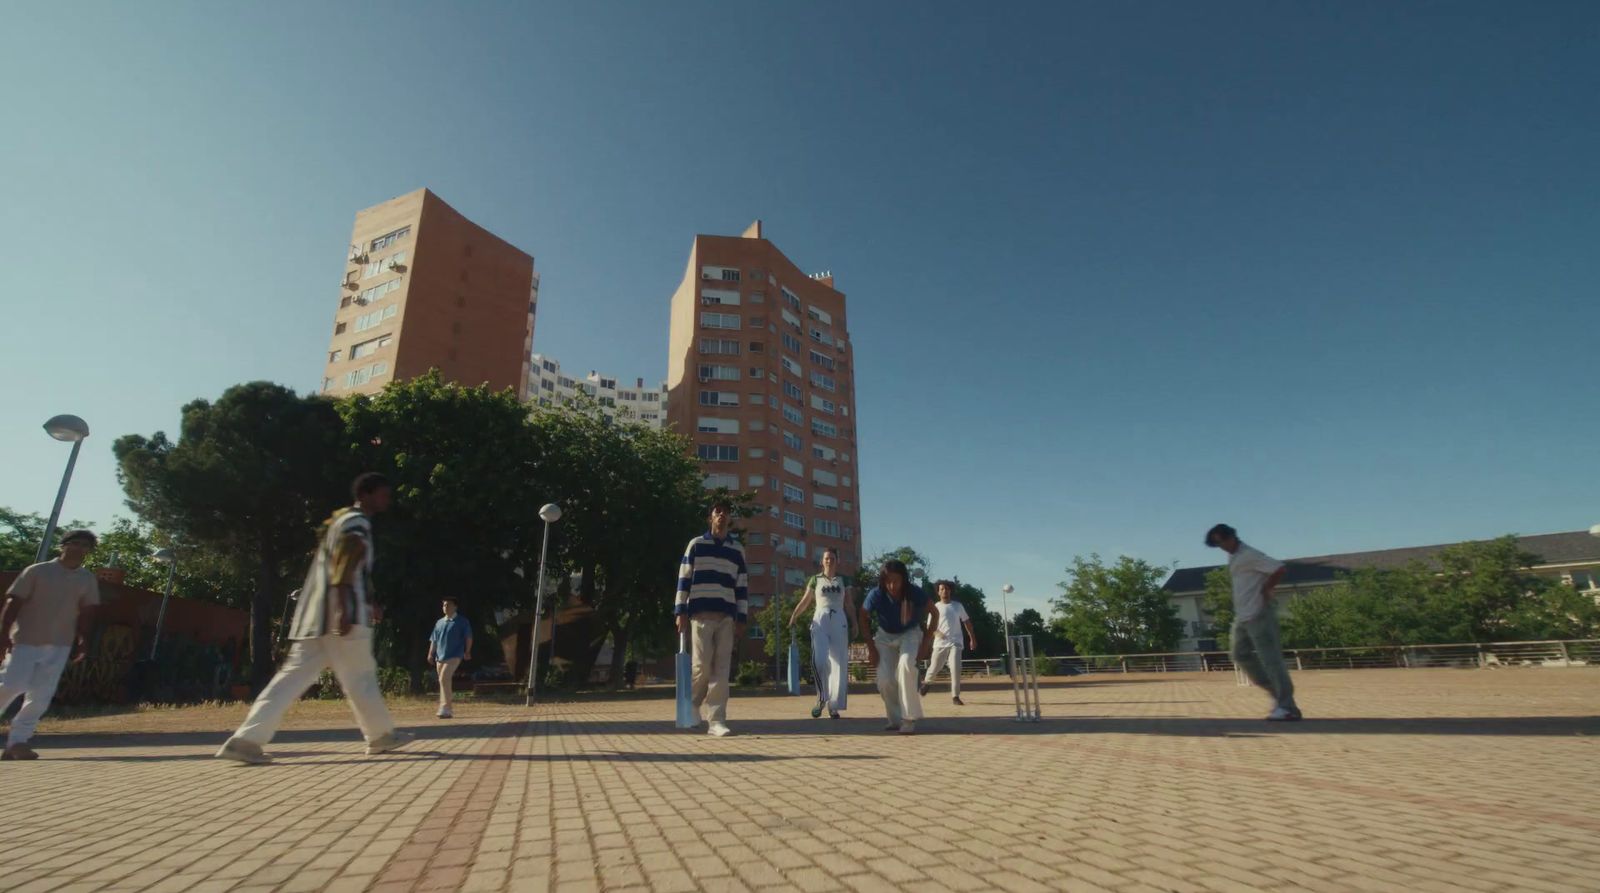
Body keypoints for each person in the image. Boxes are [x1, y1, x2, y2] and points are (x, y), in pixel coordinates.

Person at [216, 473, 413, 763]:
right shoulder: (357, 522)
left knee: (291, 680)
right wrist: (345, 609)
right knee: (360, 677)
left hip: (315, 615)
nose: (387, 499)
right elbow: (346, 565)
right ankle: (381, 736)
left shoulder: (337, 521)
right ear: (366, 494)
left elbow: (343, 565)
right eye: (384, 494)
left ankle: (245, 739)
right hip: (343, 616)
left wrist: (368, 601)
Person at [0, 529, 100, 761]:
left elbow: (87, 610)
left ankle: (18, 742)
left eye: (85, 546)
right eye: (74, 543)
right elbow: (14, 601)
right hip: (24, 640)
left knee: (41, 695)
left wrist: (83, 639)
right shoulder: (38, 571)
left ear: (89, 551)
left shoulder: (86, 578)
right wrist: (3, 634)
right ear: (63, 546)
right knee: (11, 685)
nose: (78, 549)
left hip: (59, 644)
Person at [1206, 523, 1302, 721]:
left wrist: (1267, 589)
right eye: (1217, 544)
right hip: (1242, 616)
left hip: (1259, 614)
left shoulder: (1249, 554)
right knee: (1238, 654)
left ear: (1231, 537)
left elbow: (1278, 568)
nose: (1221, 547)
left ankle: (1287, 707)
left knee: (1271, 660)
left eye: (1222, 541)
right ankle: (1278, 696)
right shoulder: (1234, 557)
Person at [674, 500, 748, 737]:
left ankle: (716, 720)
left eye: (726, 513)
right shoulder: (696, 544)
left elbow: (742, 586)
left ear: (729, 519)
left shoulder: (737, 550)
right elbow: (684, 578)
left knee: (721, 670)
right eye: (717, 512)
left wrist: (742, 618)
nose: (722, 516)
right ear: (710, 518)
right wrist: (680, 611)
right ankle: (693, 705)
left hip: (726, 615)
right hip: (700, 615)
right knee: (701, 668)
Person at [858, 559, 937, 734]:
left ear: (904, 580)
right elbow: (862, 617)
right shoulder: (876, 594)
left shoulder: (914, 592)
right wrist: (871, 647)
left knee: (906, 666)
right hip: (884, 635)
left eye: (896, 581)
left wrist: (926, 643)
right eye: (888, 581)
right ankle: (894, 719)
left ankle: (908, 718)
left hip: (909, 633)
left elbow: (935, 613)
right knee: (885, 679)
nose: (892, 586)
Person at [787, 546, 856, 719]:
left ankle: (834, 706)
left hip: (839, 620)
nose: (829, 561)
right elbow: (806, 600)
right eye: (826, 558)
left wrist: (854, 622)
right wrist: (794, 615)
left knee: (838, 664)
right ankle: (821, 698)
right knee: (819, 660)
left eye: (832, 558)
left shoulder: (844, 580)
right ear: (821, 561)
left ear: (837, 561)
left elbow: (849, 603)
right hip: (820, 621)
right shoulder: (815, 580)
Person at [920, 580, 977, 705]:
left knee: (956, 668)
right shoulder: (935, 607)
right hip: (940, 643)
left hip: (956, 642)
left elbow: (966, 622)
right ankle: (927, 682)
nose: (944, 591)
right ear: (938, 592)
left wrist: (972, 638)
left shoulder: (958, 606)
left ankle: (955, 696)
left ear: (950, 590)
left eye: (946, 588)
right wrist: (937, 633)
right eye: (942, 589)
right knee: (935, 667)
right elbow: (930, 626)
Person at [427, 598, 472, 719]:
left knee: (444, 678)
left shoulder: (462, 621)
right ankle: (447, 708)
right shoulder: (439, 622)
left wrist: (467, 651)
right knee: (444, 682)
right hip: (440, 657)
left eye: (448, 605)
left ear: (455, 607)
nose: (445, 607)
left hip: (455, 655)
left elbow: (468, 637)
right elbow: (434, 640)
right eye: (443, 605)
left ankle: (445, 707)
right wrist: (431, 654)